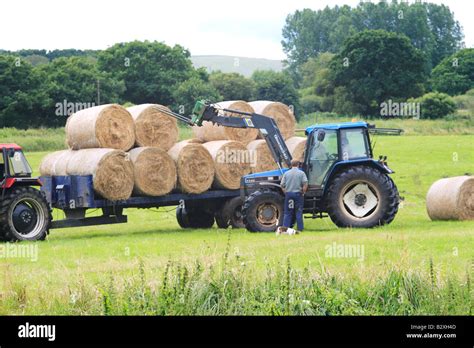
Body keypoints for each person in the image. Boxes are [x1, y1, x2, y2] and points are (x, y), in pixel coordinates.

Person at [280, 159, 308, 232]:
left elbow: (282, 185)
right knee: (298, 212)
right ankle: (300, 229)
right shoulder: (301, 173)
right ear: (298, 164)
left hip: (289, 194)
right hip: (298, 194)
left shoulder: (286, 173)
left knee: (288, 212)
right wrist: (303, 192)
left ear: (291, 164)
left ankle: (285, 229)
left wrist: (285, 192)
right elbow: (305, 183)